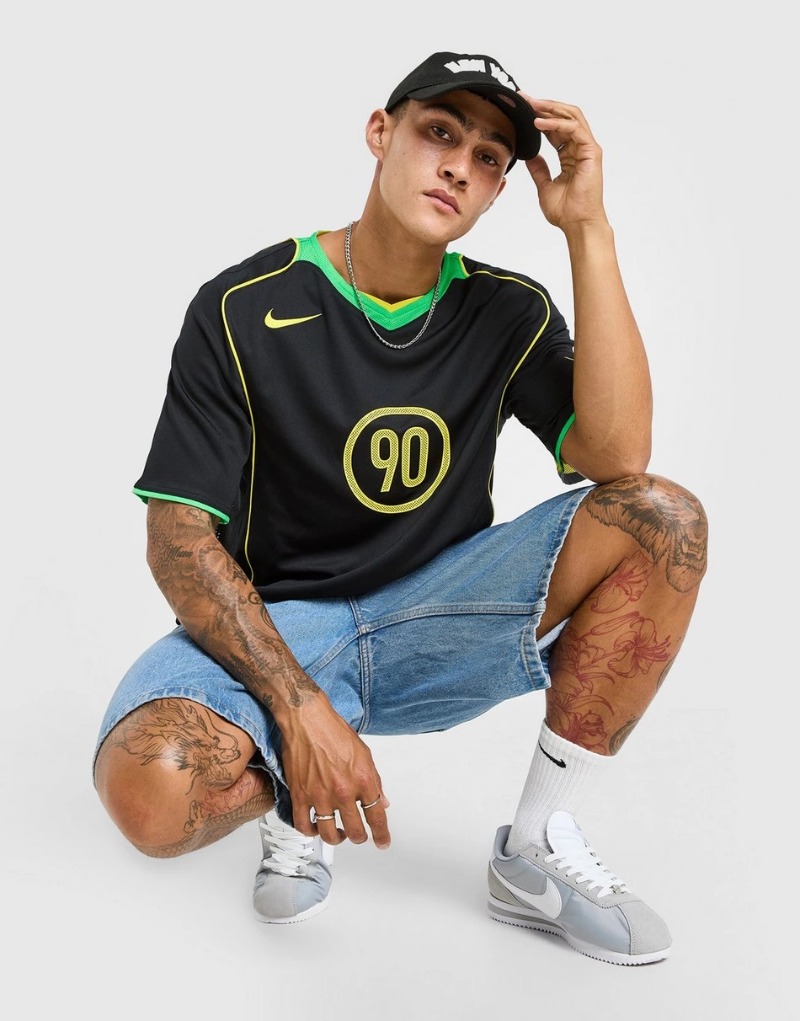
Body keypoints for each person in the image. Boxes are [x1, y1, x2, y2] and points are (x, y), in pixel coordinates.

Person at [93, 50, 707, 966]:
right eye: (439, 132)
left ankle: (534, 847)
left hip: (439, 615)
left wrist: (588, 227)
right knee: (149, 791)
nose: (459, 165)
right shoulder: (243, 305)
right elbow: (176, 537)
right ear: (381, 133)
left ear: (499, 188)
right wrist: (298, 710)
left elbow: (618, 462)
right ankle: (297, 798)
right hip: (286, 627)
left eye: (489, 156)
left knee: (663, 520)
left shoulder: (506, 311)